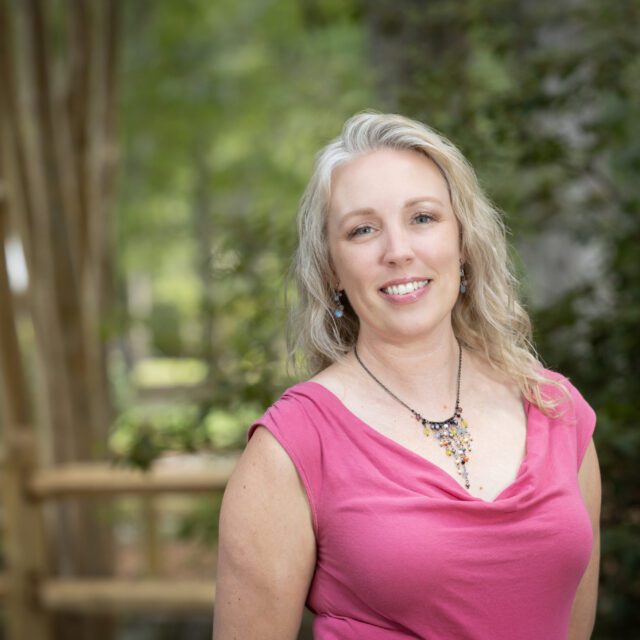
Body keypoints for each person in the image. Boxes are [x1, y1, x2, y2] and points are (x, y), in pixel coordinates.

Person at [212, 112, 600, 640]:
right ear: (330, 270)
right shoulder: (293, 447)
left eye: (422, 218)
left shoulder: (558, 410)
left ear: (463, 241)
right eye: (363, 229)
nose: (398, 251)